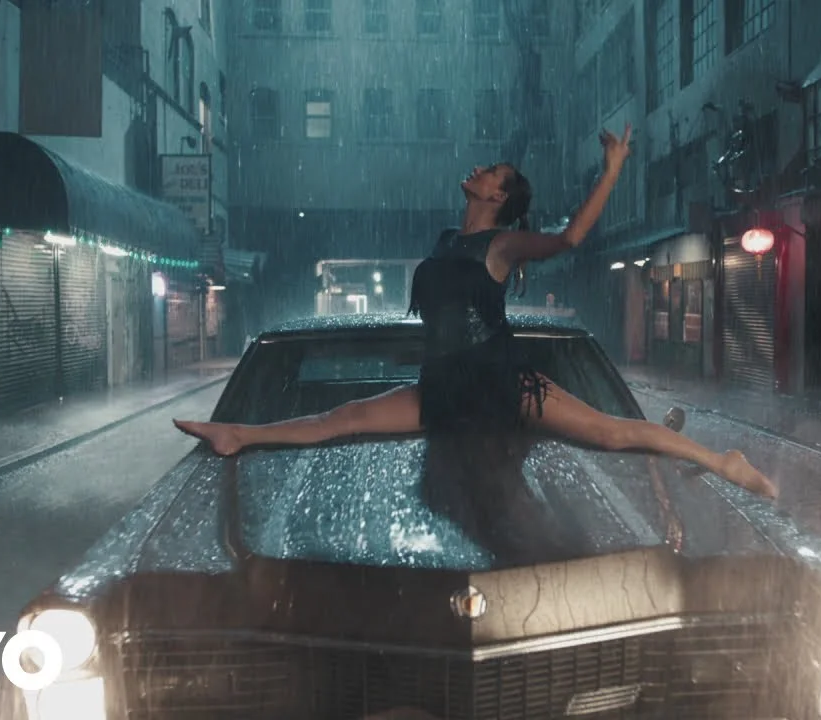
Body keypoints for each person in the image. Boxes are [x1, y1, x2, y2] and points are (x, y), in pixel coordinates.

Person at [174, 123, 777, 500]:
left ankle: (721, 460)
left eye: (493, 172)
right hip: (442, 384)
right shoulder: (446, 240)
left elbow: (570, 238)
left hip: (497, 380)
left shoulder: (503, 245)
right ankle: (237, 434)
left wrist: (614, 168)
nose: (481, 170)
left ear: (498, 195)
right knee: (346, 416)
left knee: (610, 432)